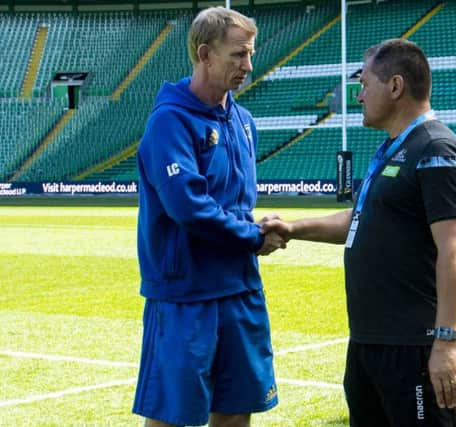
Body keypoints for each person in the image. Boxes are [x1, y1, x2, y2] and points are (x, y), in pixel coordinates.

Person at [262, 38, 456, 427]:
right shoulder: (394, 149)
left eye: (364, 84)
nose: (358, 96)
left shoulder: (437, 148)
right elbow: (362, 219)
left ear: (395, 87)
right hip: (371, 342)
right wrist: (292, 228)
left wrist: (446, 342)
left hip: (417, 344)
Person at [132, 7, 284, 427]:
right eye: (237, 55)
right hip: (185, 295)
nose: (248, 66)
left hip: (240, 289)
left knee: (237, 411)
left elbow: (236, 202)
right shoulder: (169, 122)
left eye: (250, 54)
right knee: (174, 418)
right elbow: (189, 208)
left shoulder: (244, 121)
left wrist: (255, 225)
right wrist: (253, 237)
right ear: (205, 54)